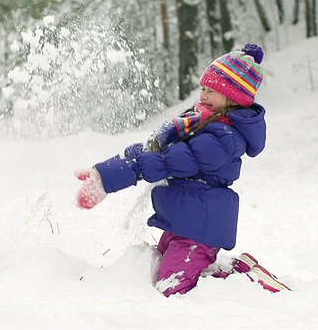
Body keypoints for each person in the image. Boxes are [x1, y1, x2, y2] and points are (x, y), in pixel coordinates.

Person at [74, 43, 290, 296]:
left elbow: (166, 160)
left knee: (172, 288)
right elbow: (153, 150)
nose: (204, 95)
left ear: (233, 97)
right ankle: (232, 267)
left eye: (212, 90)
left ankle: (241, 276)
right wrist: (105, 172)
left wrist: (112, 178)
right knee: (171, 271)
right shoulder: (200, 124)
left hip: (199, 229)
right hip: (183, 223)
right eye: (203, 88)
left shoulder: (222, 138)